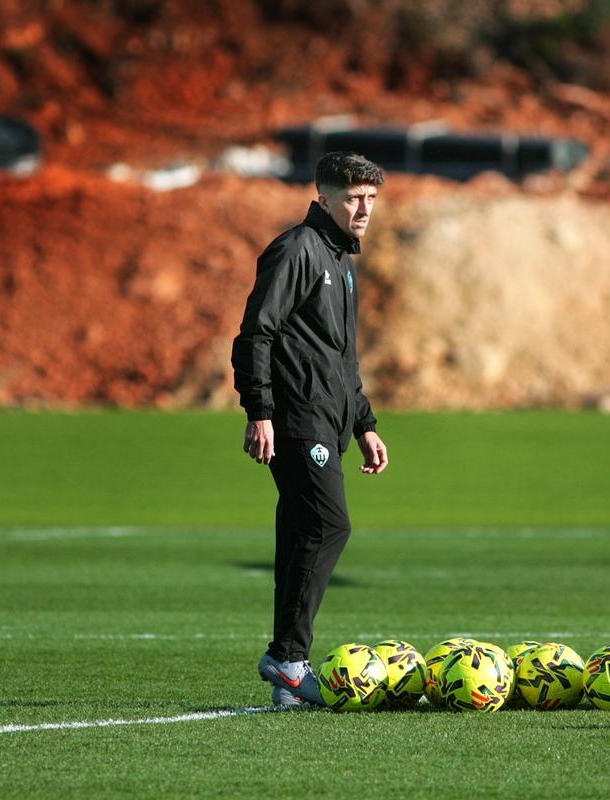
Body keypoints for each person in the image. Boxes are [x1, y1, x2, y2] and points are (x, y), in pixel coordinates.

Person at [231, 151, 389, 707]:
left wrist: (365, 423)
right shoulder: (297, 249)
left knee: (301, 534)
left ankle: (289, 678)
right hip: (296, 419)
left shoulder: (340, 260)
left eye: (371, 198)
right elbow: (256, 333)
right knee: (328, 525)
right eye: (353, 198)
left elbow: (341, 359)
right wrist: (259, 410)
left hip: (329, 420)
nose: (364, 209)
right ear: (324, 198)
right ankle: (288, 657)